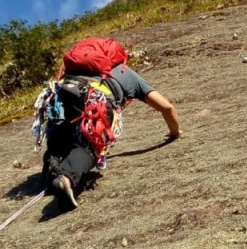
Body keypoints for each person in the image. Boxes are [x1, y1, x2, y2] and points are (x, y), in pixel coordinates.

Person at [38, 52, 181, 210]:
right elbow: (167, 108)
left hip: (59, 99)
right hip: (95, 101)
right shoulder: (125, 71)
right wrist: (175, 132)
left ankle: (54, 167)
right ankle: (66, 177)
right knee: (91, 146)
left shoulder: (76, 67)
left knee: (60, 139)